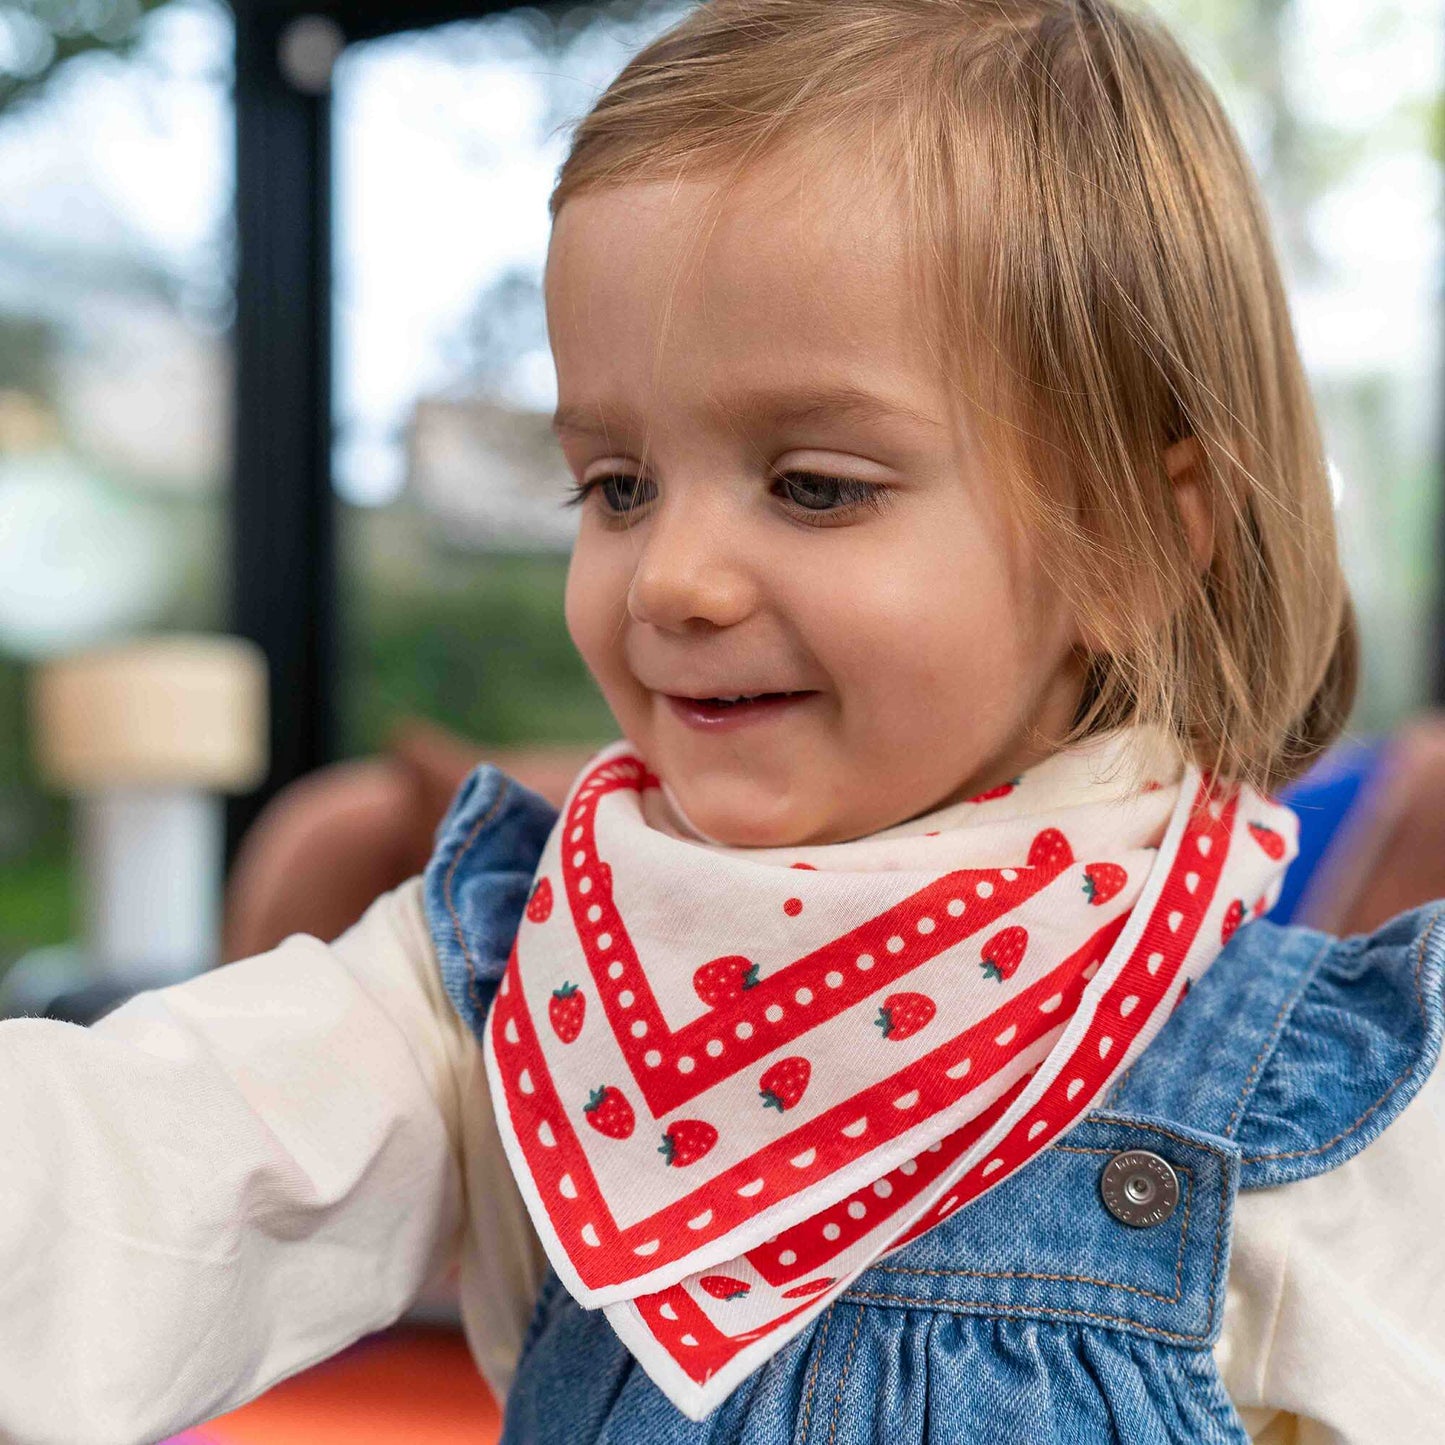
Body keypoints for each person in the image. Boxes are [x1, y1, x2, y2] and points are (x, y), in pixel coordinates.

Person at [4, 0, 1444, 1440]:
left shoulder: (1339, 1111)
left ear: (1129, 542)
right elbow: (126, 1168)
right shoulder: (512, 976)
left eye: (815, 484)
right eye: (616, 483)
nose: (672, 578)